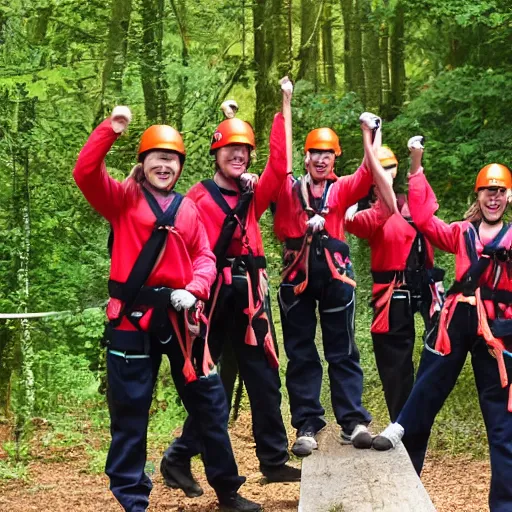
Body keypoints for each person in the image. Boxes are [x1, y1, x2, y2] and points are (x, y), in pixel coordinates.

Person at [73, 107, 261, 512]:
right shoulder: (122, 199)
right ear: (143, 163)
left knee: (210, 405)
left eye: (172, 159)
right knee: (130, 411)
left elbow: (206, 257)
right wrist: (111, 130)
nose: (165, 165)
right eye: (157, 158)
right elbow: (85, 174)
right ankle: (133, 500)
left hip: (182, 321)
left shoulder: (187, 209)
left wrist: (194, 289)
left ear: (180, 166)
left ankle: (227, 490)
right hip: (131, 321)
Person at [161, 79, 300, 494]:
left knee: (264, 374)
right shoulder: (197, 199)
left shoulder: (253, 195)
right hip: (212, 295)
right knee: (212, 384)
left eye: (243, 151)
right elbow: (188, 248)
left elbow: (280, 166)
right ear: (216, 155)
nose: (238, 156)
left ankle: (273, 459)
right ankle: (180, 455)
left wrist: (284, 107)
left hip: (251, 293)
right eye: (230, 151)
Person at [373, 152, 512, 512]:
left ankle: (505, 505)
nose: (493, 197)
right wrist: (416, 168)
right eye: (487, 192)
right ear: (478, 197)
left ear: (508, 197)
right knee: (429, 385)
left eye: (499, 192)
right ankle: (402, 430)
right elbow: (423, 219)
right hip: (456, 322)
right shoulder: (462, 232)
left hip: (496, 334)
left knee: (501, 424)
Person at [272, 112, 396, 457]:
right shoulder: (289, 189)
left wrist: (372, 134)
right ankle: (307, 423)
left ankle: (353, 421)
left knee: (342, 351)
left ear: (334, 158)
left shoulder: (341, 190)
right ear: (306, 157)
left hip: (336, 279)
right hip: (296, 280)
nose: (321, 159)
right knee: (300, 354)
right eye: (315, 153)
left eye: (328, 154)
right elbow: (277, 166)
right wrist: (286, 103)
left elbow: (369, 171)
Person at [345, 136, 445, 422]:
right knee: (395, 361)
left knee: (440, 348)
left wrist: (417, 162)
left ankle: (421, 410)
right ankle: (402, 419)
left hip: (426, 284)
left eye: (389, 169)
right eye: (380, 170)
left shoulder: (409, 202)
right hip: (392, 288)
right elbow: (353, 222)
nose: (386, 174)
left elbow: (426, 210)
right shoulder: (371, 210)